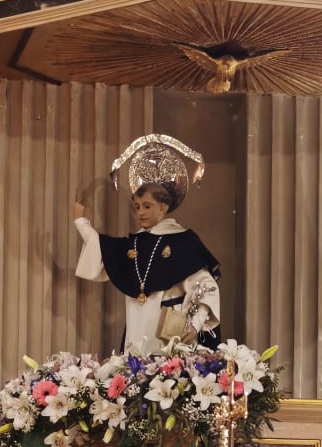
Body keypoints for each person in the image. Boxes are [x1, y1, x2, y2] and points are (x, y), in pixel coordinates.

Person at [70, 134, 221, 353]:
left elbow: (206, 286)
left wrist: (195, 324)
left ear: (163, 207)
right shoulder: (135, 244)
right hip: (136, 329)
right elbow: (103, 248)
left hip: (169, 335)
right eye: (137, 206)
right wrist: (80, 221)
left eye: (147, 206)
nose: (140, 212)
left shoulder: (183, 242)